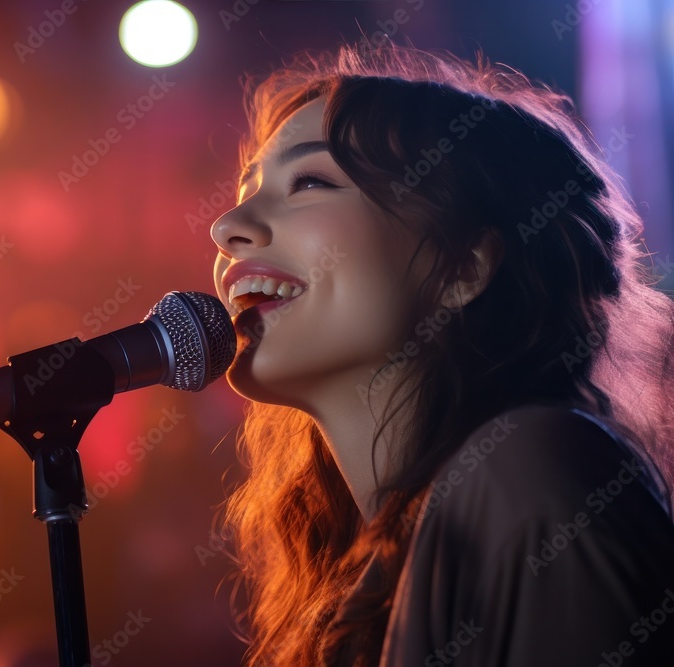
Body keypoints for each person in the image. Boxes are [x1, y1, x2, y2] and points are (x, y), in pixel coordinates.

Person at [208, 42, 674, 666]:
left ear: (463, 266)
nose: (227, 225)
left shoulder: (532, 468)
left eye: (311, 181)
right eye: (247, 188)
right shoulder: (357, 565)